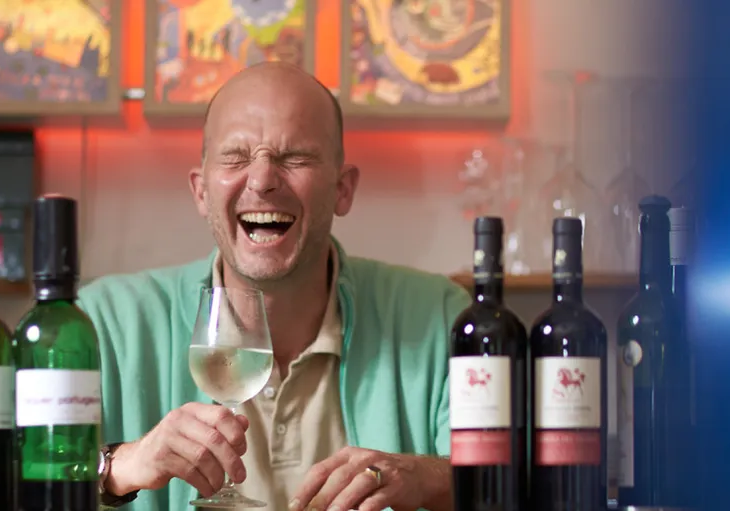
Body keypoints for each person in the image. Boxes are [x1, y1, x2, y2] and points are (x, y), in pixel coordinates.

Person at [81, 62, 471, 511]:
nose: (263, 180)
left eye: (295, 157)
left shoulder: (444, 318)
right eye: (236, 157)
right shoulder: (101, 322)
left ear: (342, 189)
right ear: (201, 192)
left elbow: (515, 482)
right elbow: (17, 480)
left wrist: (426, 477)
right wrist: (117, 466)